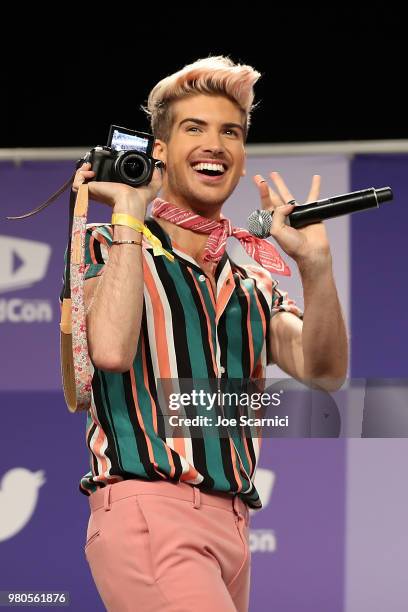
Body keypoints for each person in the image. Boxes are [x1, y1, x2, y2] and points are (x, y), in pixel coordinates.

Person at [67, 56, 348, 612]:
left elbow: (324, 371)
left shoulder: (252, 282)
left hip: (234, 526)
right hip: (150, 511)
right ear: (160, 151)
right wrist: (128, 212)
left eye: (231, 133)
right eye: (193, 128)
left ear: (242, 160)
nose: (215, 144)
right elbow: (110, 351)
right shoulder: (111, 246)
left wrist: (316, 265)